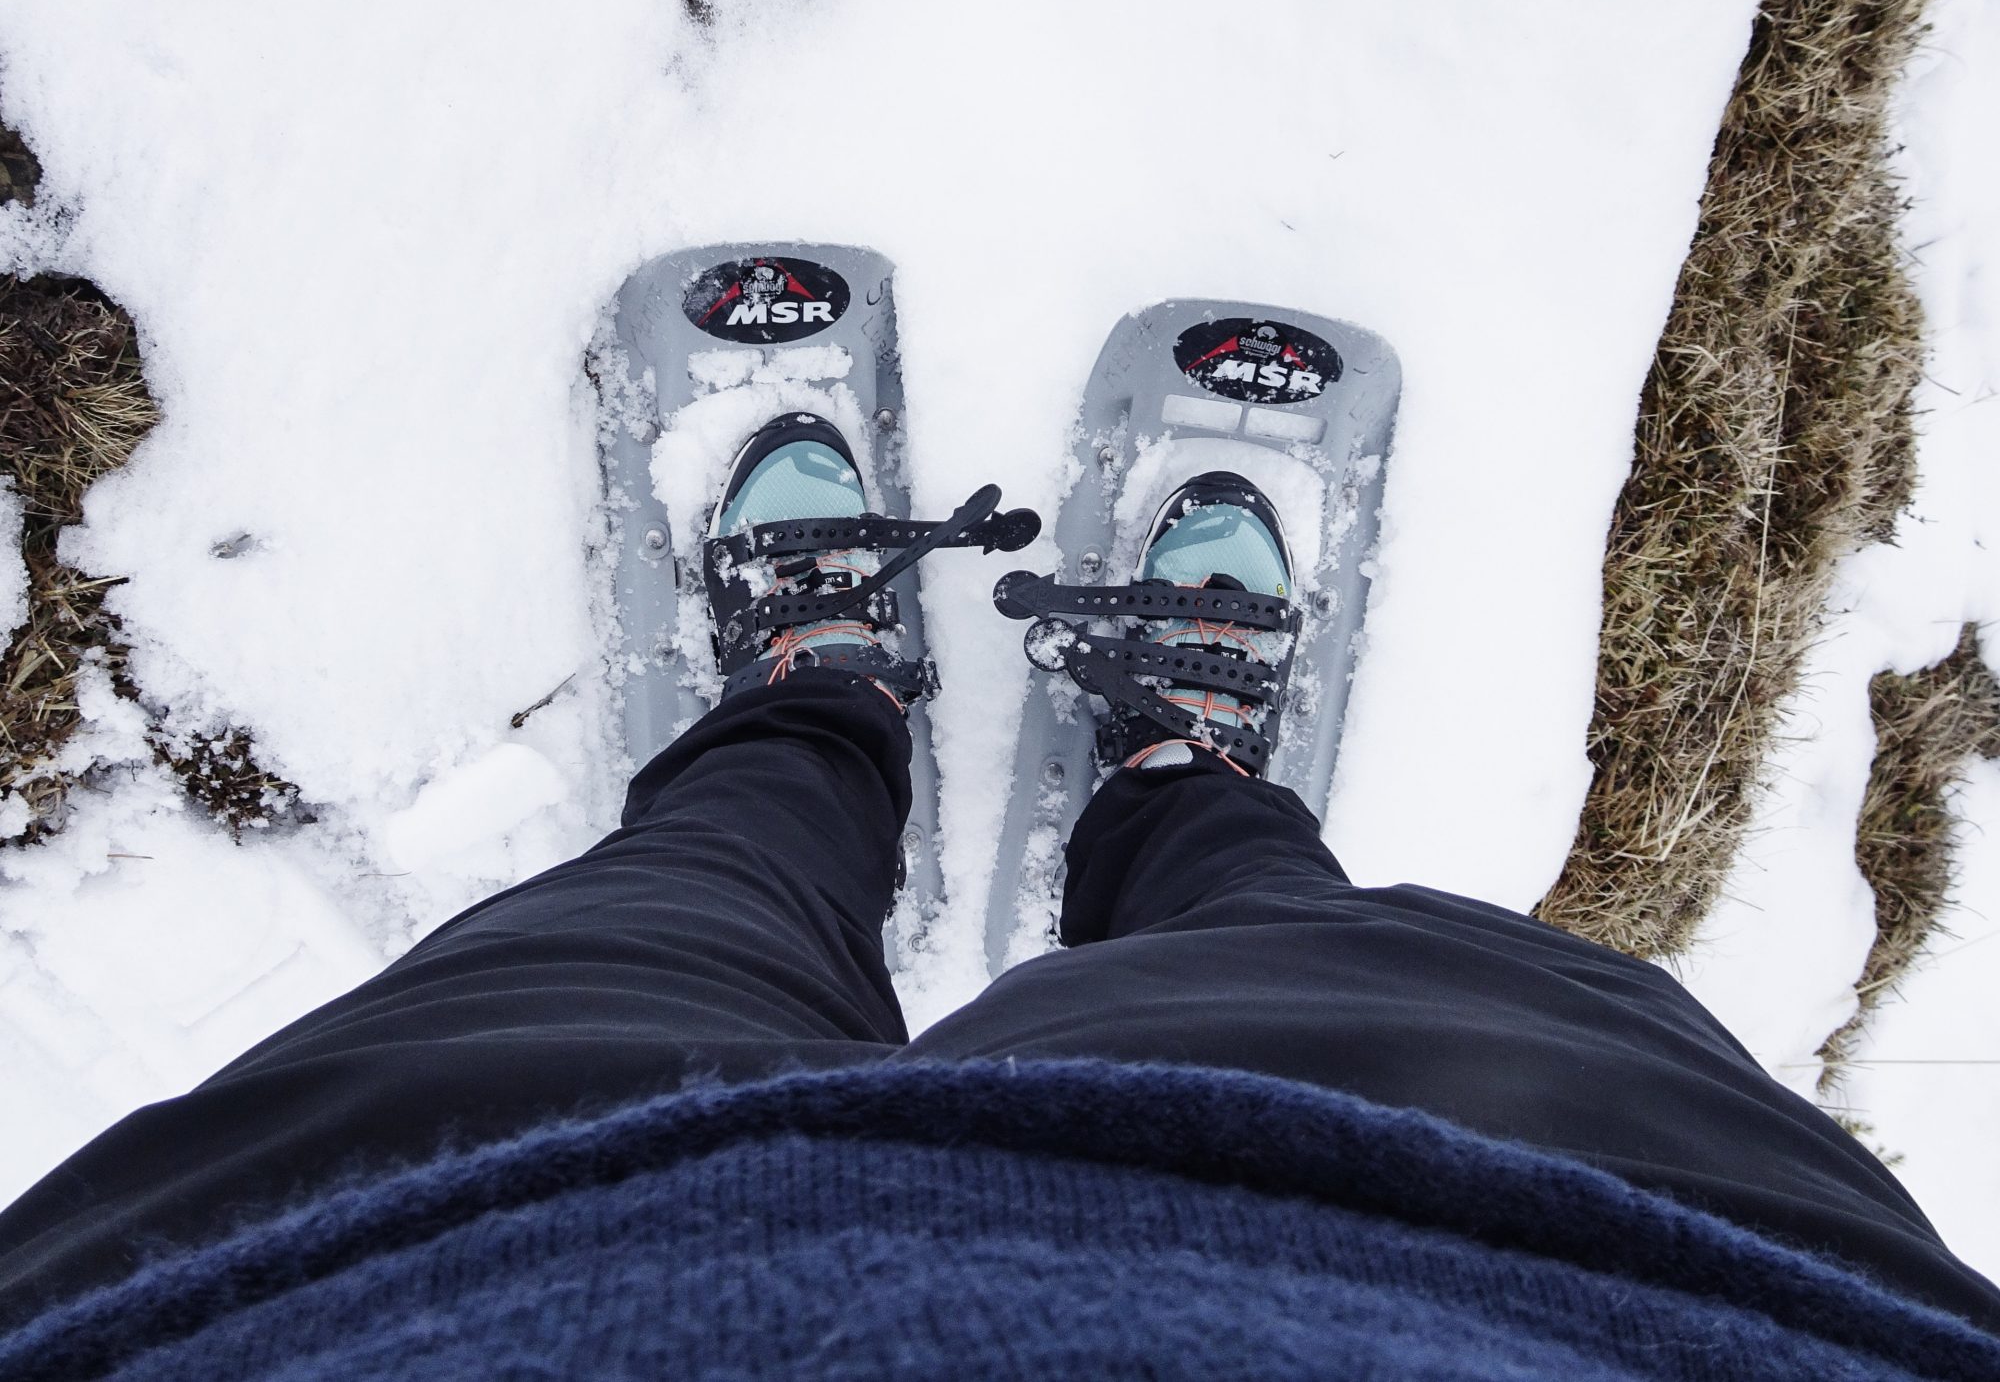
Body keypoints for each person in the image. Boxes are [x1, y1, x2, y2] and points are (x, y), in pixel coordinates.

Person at [0, 414, 1994, 1381]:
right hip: (1614, 1278)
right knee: (1313, 958)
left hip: (379, 1275)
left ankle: (818, 720)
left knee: (647, 935)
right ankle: (1163, 778)